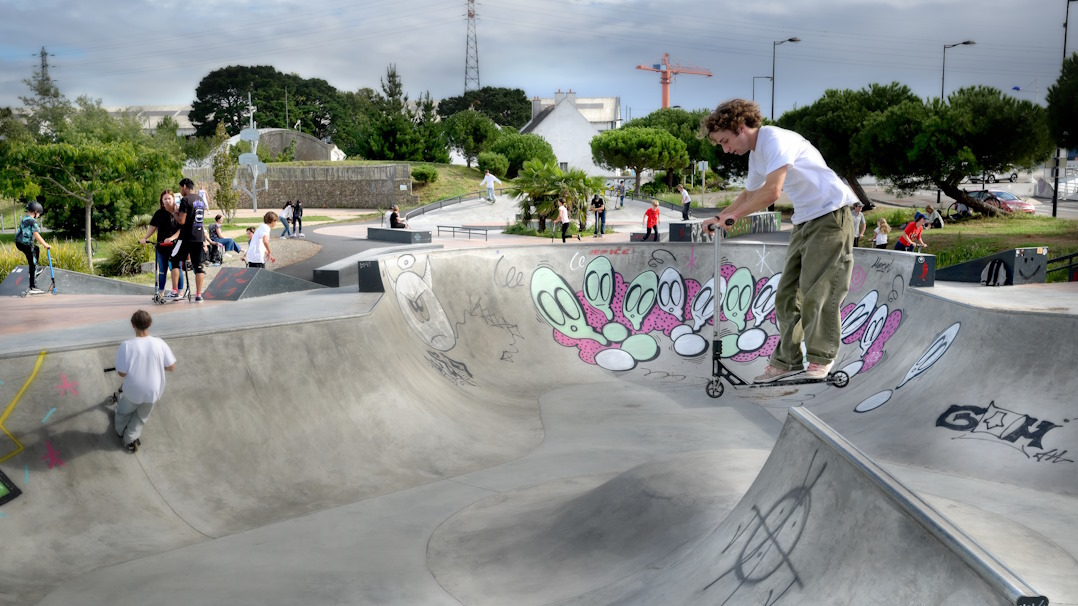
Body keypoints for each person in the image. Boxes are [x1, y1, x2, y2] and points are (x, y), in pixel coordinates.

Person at [700, 98, 856, 383]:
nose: (725, 149)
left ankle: (822, 357)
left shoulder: (774, 139)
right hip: (805, 219)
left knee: (816, 291)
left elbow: (772, 193)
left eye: (724, 141)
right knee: (786, 295)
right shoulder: (756, 154)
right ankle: (788, 360)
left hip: (832, 216)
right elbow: (749, 194)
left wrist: (734, 218)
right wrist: (720, 216)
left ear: (740, 127)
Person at [114, 310, 176, 452]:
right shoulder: (160, 343)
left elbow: (122, 373)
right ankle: (129, 439)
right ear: (150, 324)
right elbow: (171, 366)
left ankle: (119, 431)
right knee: (141, 417)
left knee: (123, 412)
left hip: (133, 391)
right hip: (153, 391)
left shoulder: (127, 345)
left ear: (132, 325)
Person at [141, 190, 185, 297]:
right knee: (162, 270)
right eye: (165, 199)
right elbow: (152, 227)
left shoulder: (178, 212)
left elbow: (182, 228)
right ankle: (160, 292)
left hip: (175, 245)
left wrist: (171, 238)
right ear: (162, 200)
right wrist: (145, 237)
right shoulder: (159, 213)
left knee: (177, 267)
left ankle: (180, 291)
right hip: (161, 246)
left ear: (173, 199)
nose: (167, 201)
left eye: (169, 198)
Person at [14, 197, 51, 295]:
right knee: (32, 263)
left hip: (19, 243)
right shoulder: (32, 221)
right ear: (35, 212)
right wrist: (45, 244)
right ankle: (32, 286)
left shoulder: (25, 218)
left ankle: (35, 269)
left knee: (36, 249)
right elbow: (36, 234)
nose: (38, 215)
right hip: (26, 244)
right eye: (38, 213)